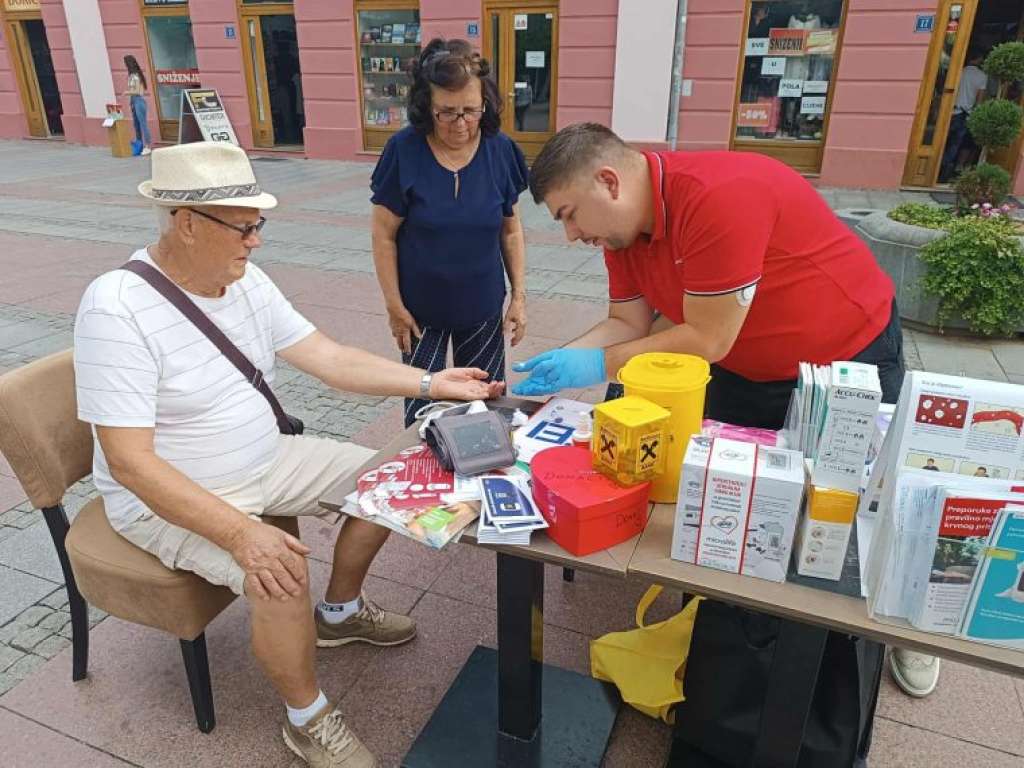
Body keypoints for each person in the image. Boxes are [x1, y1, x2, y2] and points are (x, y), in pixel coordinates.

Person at [73, 142, 503, 768]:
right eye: (245, 227)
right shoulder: (116, 308)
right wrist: (242, 534)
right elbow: (132, 463)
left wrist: (432, 383)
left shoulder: (244, 282)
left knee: (381, 479)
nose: (256, 242)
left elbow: (328, 357)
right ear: (188, 224)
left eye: (259, 226)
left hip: (266, 457)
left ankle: (340, 612)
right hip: (165, 497)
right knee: (278, 574)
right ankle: (308, 720)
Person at [513, 123, 938, 756]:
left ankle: (906, 623)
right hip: (747, 368)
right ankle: (731, 639)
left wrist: (596, 367)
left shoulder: (718, 195)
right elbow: (627, 322)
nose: (573, 234)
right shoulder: (624, 228)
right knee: (740, 508)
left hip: (848, 360)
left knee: (857, 516)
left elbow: (707, 338)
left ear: (609, 181)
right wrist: (553, 368)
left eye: (570, 215)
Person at [370, 38, 529, 427]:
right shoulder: (403, 150)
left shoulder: (500, 150)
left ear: (485, 104)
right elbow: (383, 234)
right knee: (424, 414)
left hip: (482, 306)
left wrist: (519, 297)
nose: (460, 124)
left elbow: (510, 230)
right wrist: (394, 306)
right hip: (418, 312)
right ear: (427, 106)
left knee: (486, 410)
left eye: (471, 111)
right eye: (446, 113)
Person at [939, 48, 988, 183]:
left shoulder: (958, 71)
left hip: (950, 111)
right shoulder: (982, 76)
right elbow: (980, 99)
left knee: (942, 141)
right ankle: (946, 171)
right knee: (956, 144)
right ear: (978, 59)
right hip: (966, 114)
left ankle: (936, 167)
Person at [123, 55, 152, 156]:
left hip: (139, 101)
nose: (124, 65)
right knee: (136, 125)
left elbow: (137, 91)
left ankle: (148, 146)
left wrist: (127, 92)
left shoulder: (134, 76)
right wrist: (131, 103)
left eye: (125, 63)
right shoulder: (133, 76)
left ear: (129, 64)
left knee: (143, 124)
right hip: (134, 101)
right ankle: (139, 145)